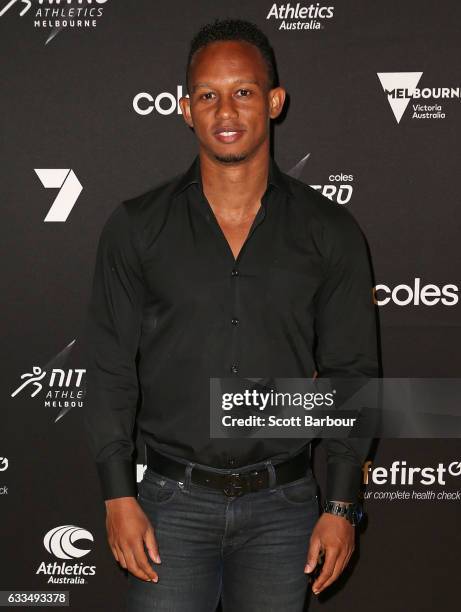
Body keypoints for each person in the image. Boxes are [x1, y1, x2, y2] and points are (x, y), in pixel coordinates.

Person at [81, 18, 380, 612]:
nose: (225, 110)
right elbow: (111, 369)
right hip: (168, 506)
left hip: (286, 509)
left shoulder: (331, 232)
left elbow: (352, 375)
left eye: (243, 91)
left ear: (273, 101)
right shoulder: (137, 228)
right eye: (207, 94)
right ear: (185, 109)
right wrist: (119, 497)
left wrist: (342, 507)